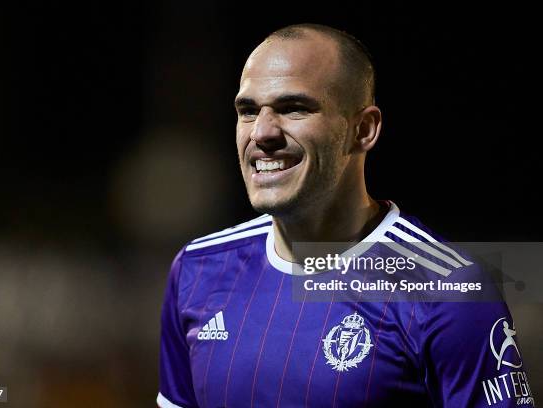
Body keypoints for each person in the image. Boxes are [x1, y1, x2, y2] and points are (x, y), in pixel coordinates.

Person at [157, 23, 534, 407]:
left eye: (294, 108)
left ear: (364, 129)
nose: (263, 132)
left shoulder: (448, 291)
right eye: (248, 111)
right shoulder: (197, 270)